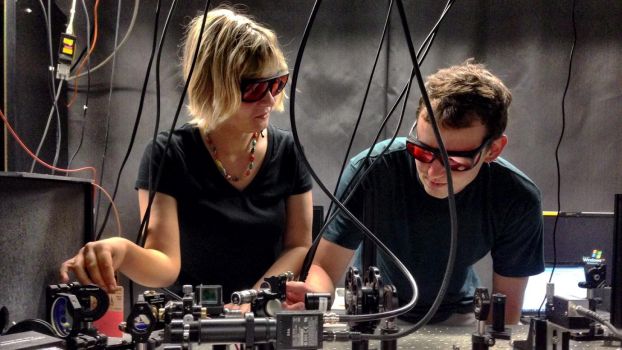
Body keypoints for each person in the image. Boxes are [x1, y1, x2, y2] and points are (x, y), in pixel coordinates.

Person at [60, 7, 313, 306]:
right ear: (215, 87)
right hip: (194, 319)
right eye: (256, 88)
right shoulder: (169, 154)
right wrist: (123, 251)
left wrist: (252, 300)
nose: (271, 99)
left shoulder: (287, 153)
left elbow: (298, 245)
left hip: (263, 314)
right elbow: (165, 265)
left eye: (277, 83)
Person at [285, 60, 544, 325]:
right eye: (423, 152)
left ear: (493, 150)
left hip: (458, 314)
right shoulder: (373, 171)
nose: (433, 173)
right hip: (374, 309)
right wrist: (314, 296)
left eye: (454, 162)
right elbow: (325, 268)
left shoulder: (516, 197)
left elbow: (506, 310)